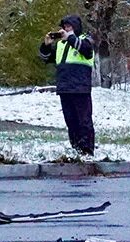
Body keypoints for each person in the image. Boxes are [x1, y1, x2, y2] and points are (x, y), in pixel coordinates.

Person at [39, 15, 96, 155]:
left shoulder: (85, 39)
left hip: (81, 88)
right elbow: (45, 58)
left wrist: (70, 38)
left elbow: (86, 50)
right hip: (64, 88)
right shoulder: (60, 45)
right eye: (65, 27)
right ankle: (76, 149)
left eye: (69, 26)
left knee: (84, 121)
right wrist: (46, 45)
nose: (66, 29)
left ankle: (87, 150)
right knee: (71, 121)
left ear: (76, 27)